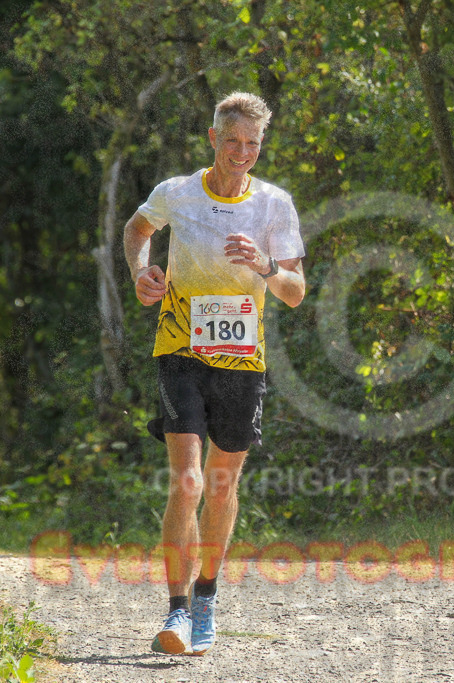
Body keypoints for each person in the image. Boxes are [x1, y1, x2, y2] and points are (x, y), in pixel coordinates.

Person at [123, 92, 305, 656]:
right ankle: (176, 612)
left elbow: (295, 294)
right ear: (213, 138)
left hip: (242, 360)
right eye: (234, 142)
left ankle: (206, 598)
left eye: (253, 144)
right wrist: (140, 273)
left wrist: (266, 265)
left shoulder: (274, 204)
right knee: (188, 480)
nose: (243, 153)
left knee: (222, 485)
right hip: (179, 348)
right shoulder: (177, 193)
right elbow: (137, 229)